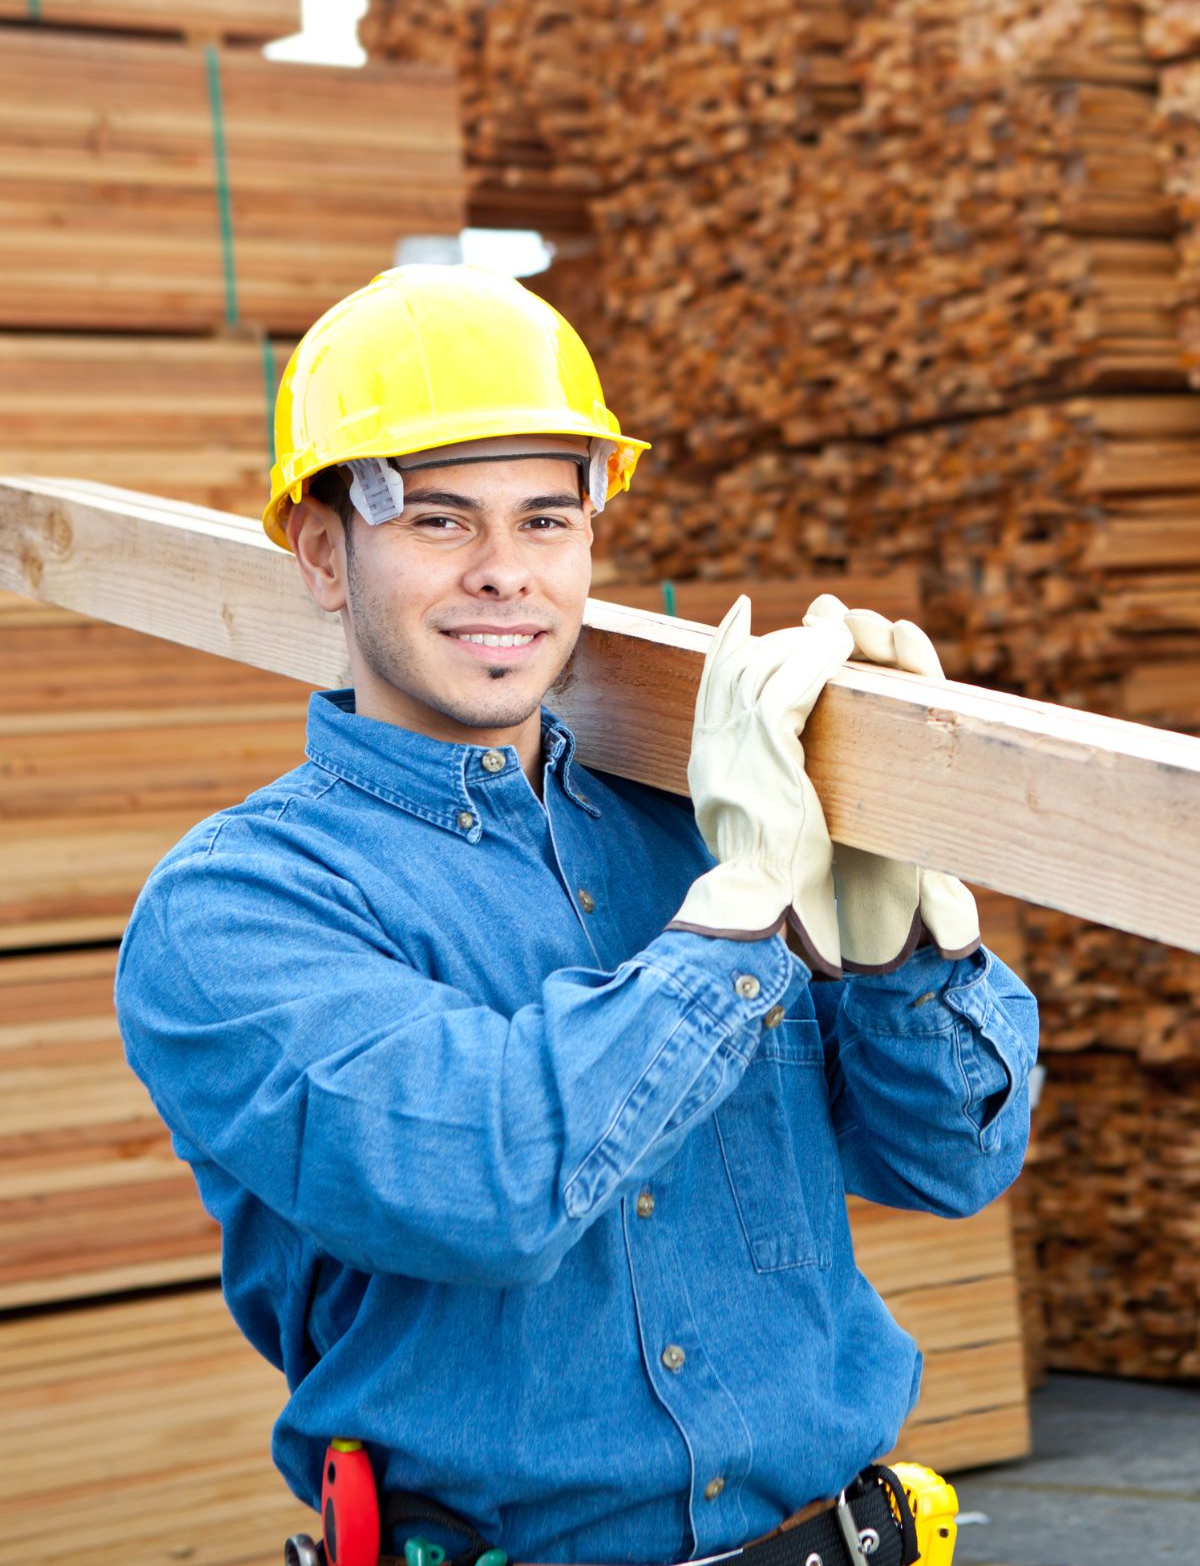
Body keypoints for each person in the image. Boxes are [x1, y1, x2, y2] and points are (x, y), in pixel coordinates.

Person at [116, 265, 1037, 1566]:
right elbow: (490, 1188)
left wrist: (901, 934)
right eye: (440, 523)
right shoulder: (235, 912)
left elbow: (953, 1163)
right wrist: (739, 917)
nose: (507, 575)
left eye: (547, 520)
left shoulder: (695, 819)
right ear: (324, 552)